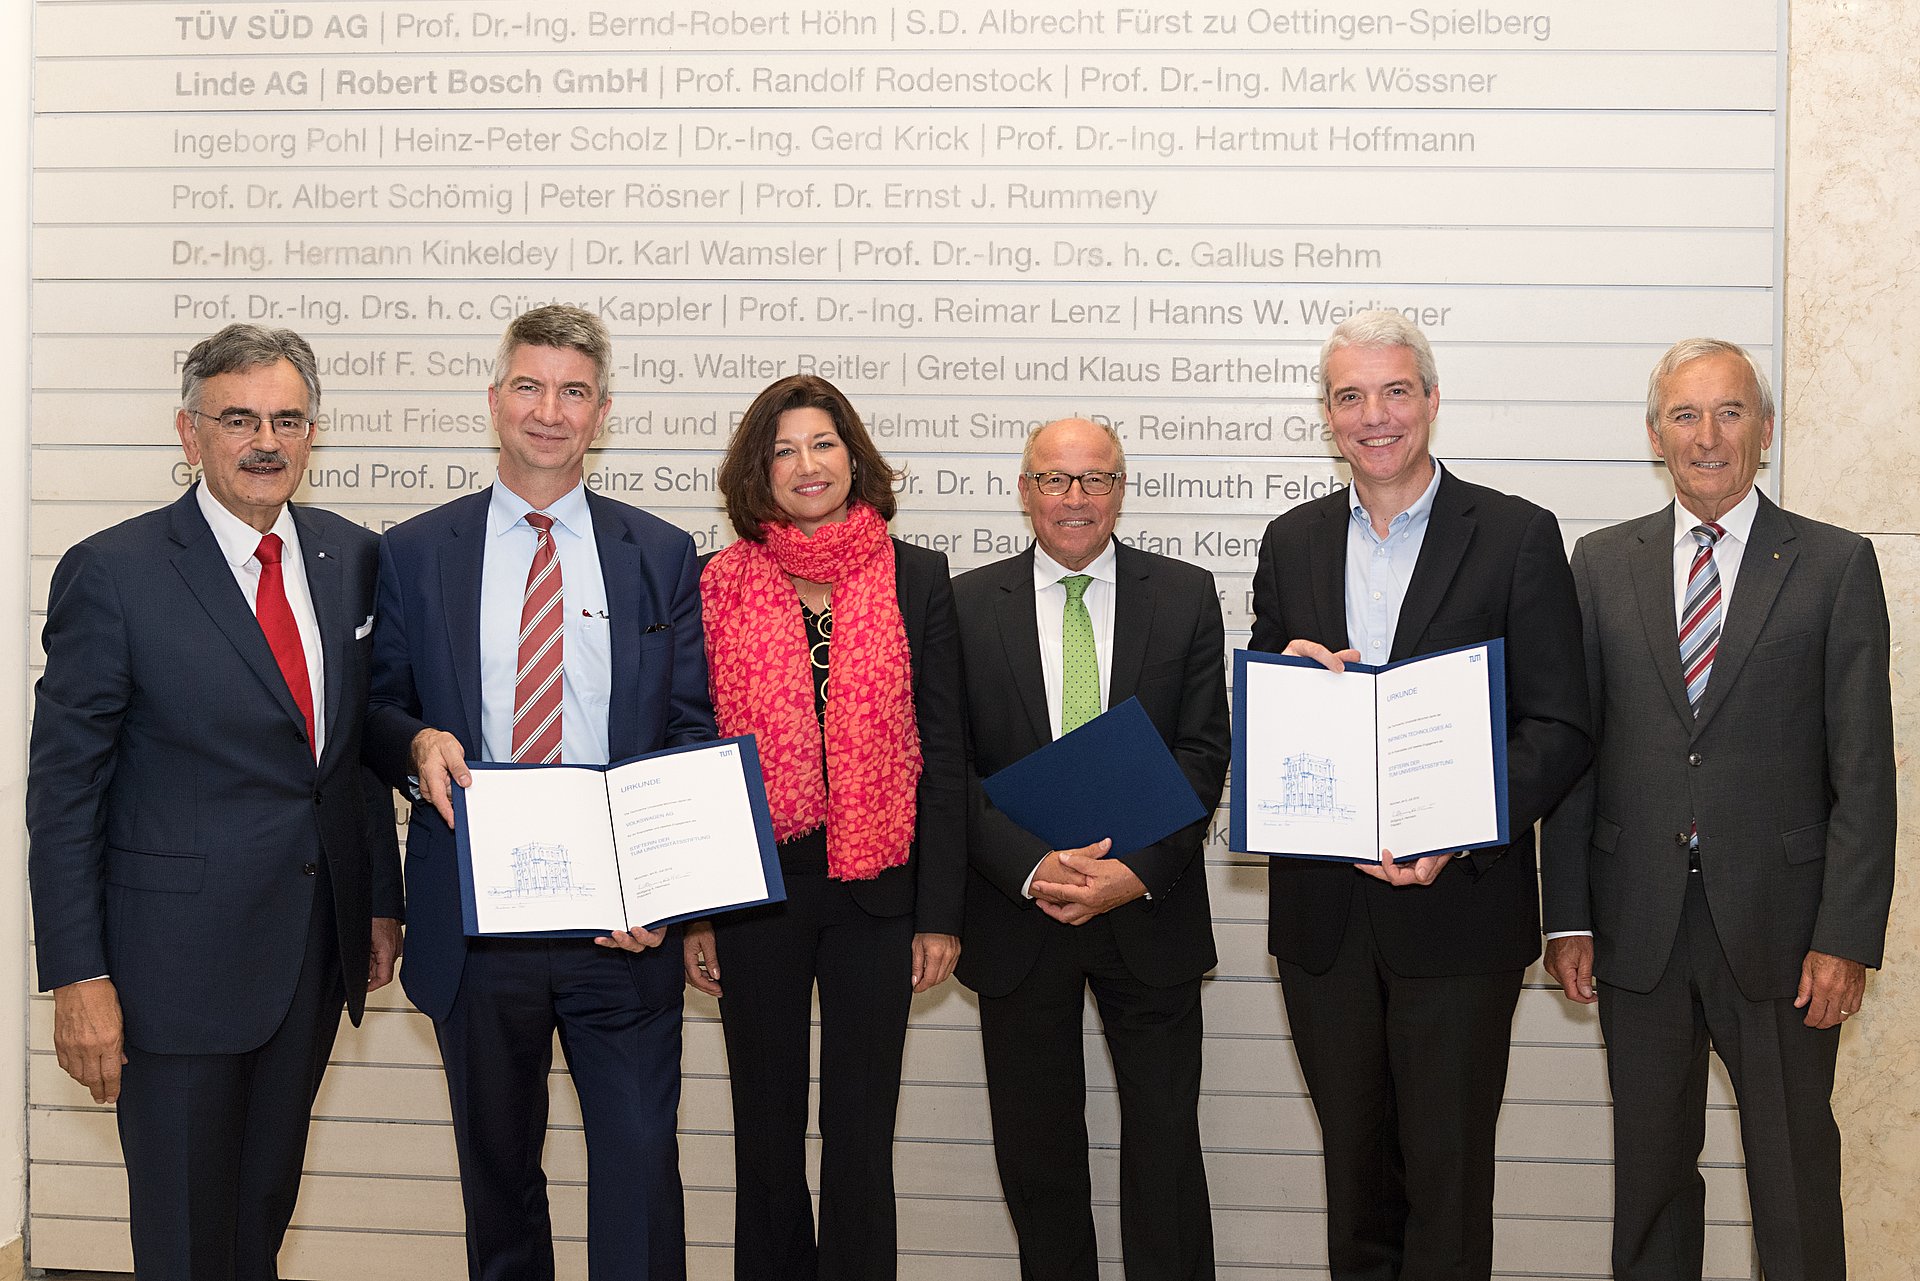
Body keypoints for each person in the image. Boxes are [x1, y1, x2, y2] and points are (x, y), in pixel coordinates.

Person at [26, 324, 403, 1281]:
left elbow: (348, 753)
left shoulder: (353, 556)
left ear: (313, 432)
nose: (265, 441)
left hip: (309, 959)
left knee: (257, 1228)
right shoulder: (114, 571)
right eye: (238, 419)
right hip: (170, 979)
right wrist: (77, 975)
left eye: (287, 419)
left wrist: (377, 899)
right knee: (187, 1245)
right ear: (189, 431)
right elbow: (65, 792)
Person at [365, 305, 713, 1280]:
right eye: (529, 386)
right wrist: (415, 743)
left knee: (640, 1174)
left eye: (572, 391)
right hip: (478, 924)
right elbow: (377, 707)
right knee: (500, 1183)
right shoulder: (415, 551)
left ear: (602, 412)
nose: (548, 411)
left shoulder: (660, 553)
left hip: (623, 932)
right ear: (494, 400)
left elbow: (688, 729)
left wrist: (662, 889)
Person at [1541, 338, 1894, 1281]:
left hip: (1785, 934)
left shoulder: (1834, 564)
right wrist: (1567, 914)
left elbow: (1865, 771)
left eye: (1730, 412)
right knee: (1651, 1183)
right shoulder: (1600, 562)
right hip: (1636, 926)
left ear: (1765, 429)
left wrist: (1846, 936)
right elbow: (1575, 754)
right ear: (1654, 434)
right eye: (1686, 415)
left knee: (1794, 1182)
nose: (1708, 436)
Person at [1249, 311, 1591, 1281]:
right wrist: (1286, 678)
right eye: (1351, 396)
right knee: (1356, 1189)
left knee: (1447, 1189)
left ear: (1432, 400)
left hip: (1461, 912)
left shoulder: (1517, 535)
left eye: (1395, 391)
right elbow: (1267, 715)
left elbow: (1561, 726)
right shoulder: (1291, 541)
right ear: (1328, 416)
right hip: (1325, 922)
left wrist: (1461, 827)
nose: (1375, 415)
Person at [682, 373, 964, 1280]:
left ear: (853, 456)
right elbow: (694, 750)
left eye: (823, 443)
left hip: (879, 892)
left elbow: (946, 753)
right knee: (764, 1133)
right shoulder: (717, 583)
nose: (807, 464)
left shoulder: (916, 575)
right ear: (758, 471)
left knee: (860, 1135)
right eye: (784, 449)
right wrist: (696, 909)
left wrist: (939, 912)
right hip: (755, 892)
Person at [952, 416, 1229, 1280]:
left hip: (1149, 910)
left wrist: (1133, 872)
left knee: (1165, 1151)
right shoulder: (963, 604)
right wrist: (1034, 868)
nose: (1075, 498)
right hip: (1018, 914)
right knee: (1037, 1157)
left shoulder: (1184, 594)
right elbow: (949, 768)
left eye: (1095, 478)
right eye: (1055, 478)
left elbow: (1203, 751)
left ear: (1120, 489)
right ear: (1025, 490)